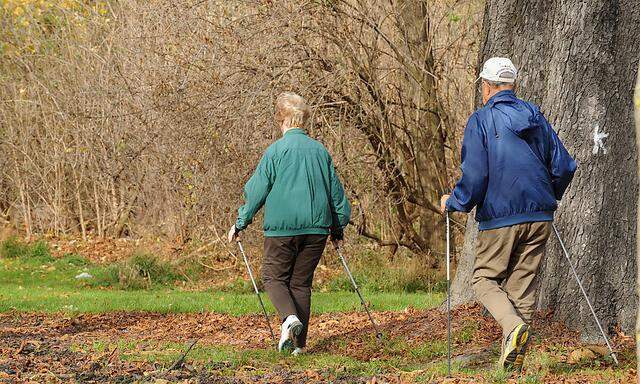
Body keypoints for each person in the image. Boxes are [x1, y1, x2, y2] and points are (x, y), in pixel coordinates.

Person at [440, 57, 576, 371]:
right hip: (540, 214)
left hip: (501, 216)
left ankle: (513, 329)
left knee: (484, 279)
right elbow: (564, 166)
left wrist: (454, 203)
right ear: (512, 86)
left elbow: (475, 176)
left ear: (486, 87)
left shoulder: (481, 119)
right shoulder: (535, 115)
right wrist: (546, 195)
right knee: (521, 287)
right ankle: (512, 366)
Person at [228, 92, 351, 356]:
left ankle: (288, 319)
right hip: (316, 230)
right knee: (301, 284)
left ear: (282, 120)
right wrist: (338, 229)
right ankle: (299, 346)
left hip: (282, 231)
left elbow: (256, 191)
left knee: (273, 277)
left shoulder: (275, 151)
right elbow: (336, 196)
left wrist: (240, 223)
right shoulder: (320, 151)